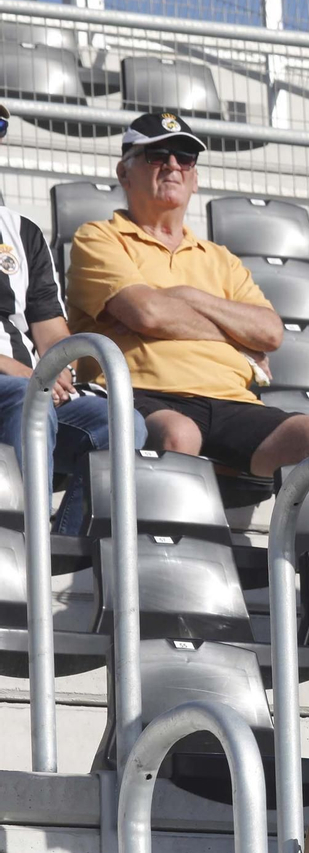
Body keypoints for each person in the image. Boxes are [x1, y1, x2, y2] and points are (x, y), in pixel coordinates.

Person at [66, 112, 309, 477]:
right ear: (124, 173)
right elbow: (146, 313)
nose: (173, 166)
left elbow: (270, 332)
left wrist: (188, 295)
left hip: (231, 401)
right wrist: (236, 340)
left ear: (195, 178)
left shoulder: (220, 258)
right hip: (142, 393)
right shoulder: (99, 237)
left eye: (184, 158)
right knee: (179, 434)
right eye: (157, 155)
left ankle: (299, 533)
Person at [0, 100, 147, 532]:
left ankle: (58, 549)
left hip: (21, 388)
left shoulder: (19, 231)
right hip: (17, 387)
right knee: (31, 399)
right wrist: (19, 371)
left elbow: (50, 330)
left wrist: (56, 367)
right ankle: (25, 545)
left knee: (122, 423)